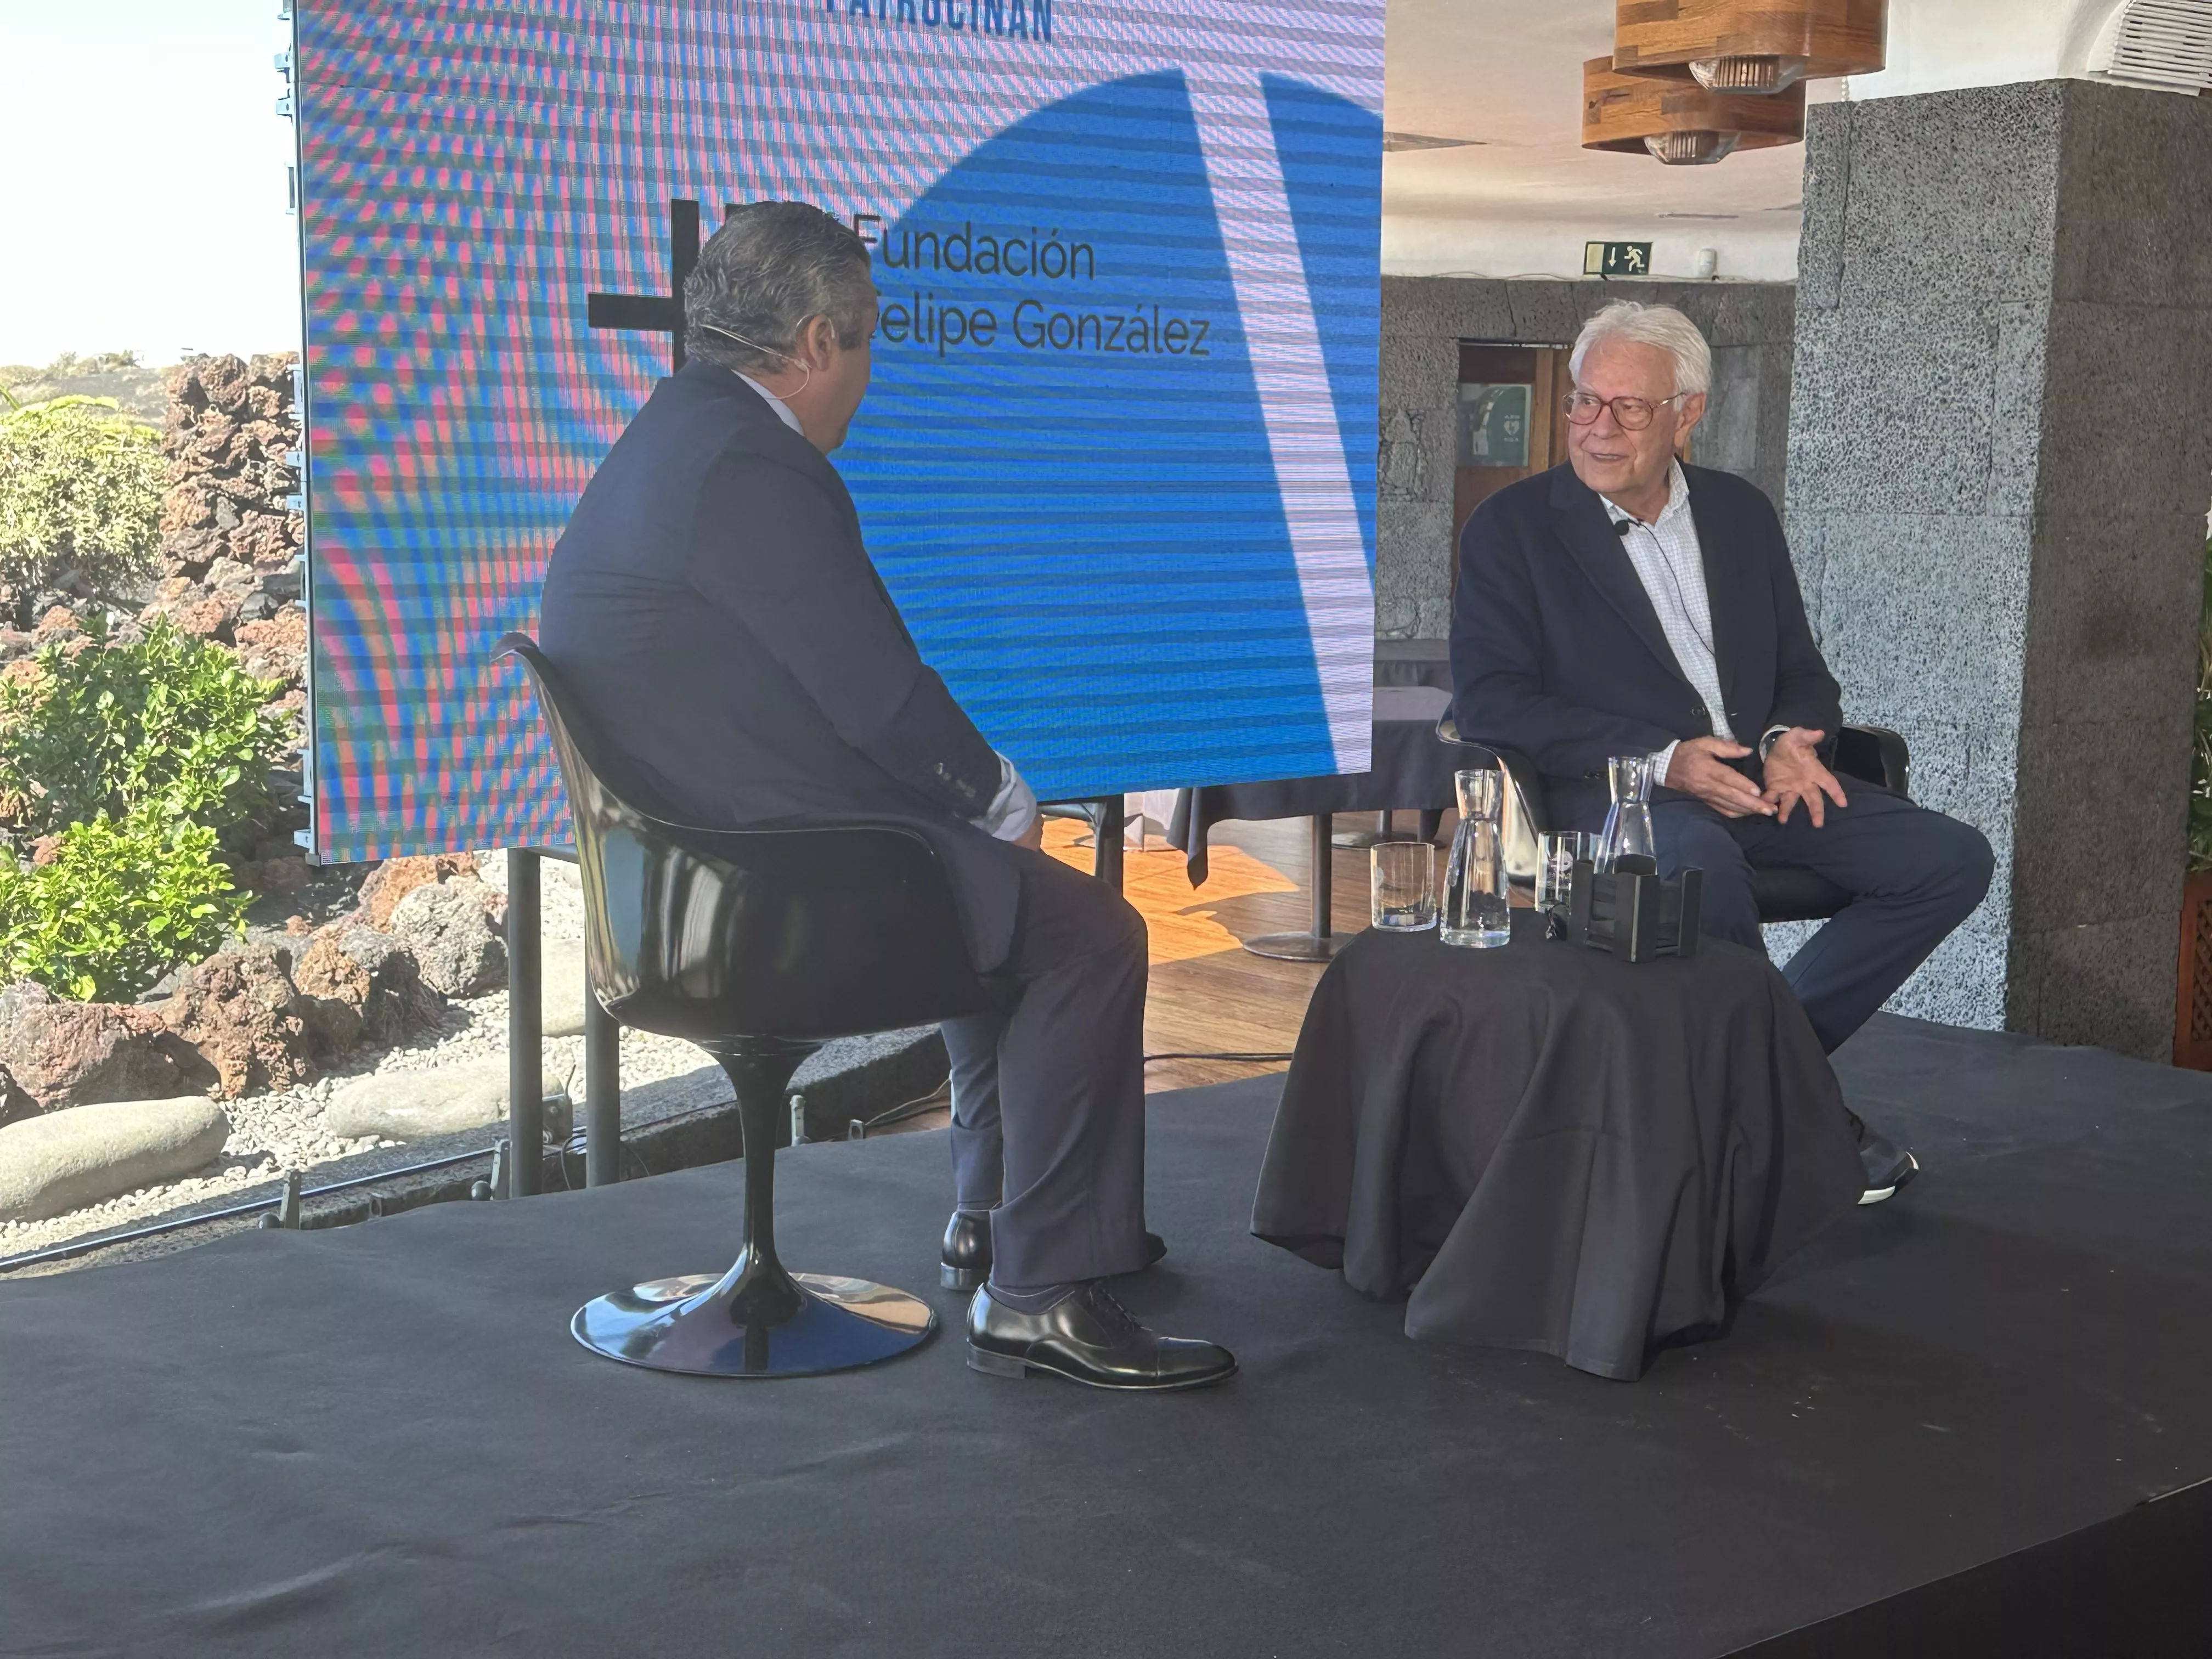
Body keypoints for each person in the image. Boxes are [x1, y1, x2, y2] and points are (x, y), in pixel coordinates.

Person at [539, 201, 1234, 1391]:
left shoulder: (673, 437)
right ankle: (1042, 1289)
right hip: (768, 882)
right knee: (1092, 933)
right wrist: (998, 794)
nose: (864, 378)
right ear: (816, 342)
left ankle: (996, 1216)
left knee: (993, 893)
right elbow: (875, 690)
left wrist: (967, 813)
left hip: (688, 875)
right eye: (865, 345)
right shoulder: (748, 464)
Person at [1449, 301, 1994, 1204]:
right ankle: (1791, 1110)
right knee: (1702, 872)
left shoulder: (1739, 513)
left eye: (1628, 408)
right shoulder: (1512, 529)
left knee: (1948, 860)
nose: (1595, 427)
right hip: (1618, 794)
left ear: (1686, 413)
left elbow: (1801, 671)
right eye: (1585, 402)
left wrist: (1787, 742)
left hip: (1759, 782)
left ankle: (1761, 1086)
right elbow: (1490, 702)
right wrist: (1664, 760)